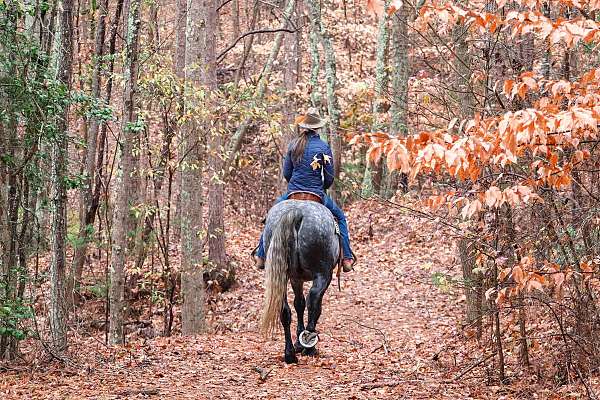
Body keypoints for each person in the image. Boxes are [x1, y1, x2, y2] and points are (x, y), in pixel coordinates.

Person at [253, 108, 355, 272]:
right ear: (318, 127)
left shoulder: (293, 145)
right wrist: (322, 187)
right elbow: (329, 178)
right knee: (341, 217)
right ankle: (347, 258)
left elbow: (287, 173)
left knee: (271, 215)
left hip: (293, 193)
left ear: (304, 126)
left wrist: (296, 186)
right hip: (316, 194)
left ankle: (261, 255)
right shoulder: (323, 147)